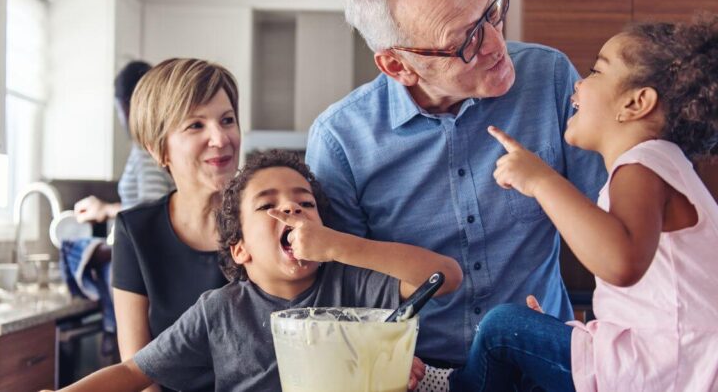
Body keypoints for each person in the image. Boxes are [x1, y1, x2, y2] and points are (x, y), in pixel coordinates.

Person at [305, 0, 607, 367]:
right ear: (398, 66)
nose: (497, 44)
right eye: (465, 40)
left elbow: (611, 223)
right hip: (414, 374)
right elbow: (344, 288)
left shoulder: (550, 79)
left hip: (546, 360)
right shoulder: (340, 143)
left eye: (491, 13)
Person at [448, 15, 718, 391]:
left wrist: (542, 180)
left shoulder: (643, 165)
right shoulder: (664, 167)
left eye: (595, 71)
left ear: (636, 103)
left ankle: (448, 385)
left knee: (501, 329)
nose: (578, 83)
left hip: (666, 367)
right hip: (671, 360)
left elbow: (621, 264)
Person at [45, 150, 464, 392]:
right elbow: (134, 371)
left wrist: (339, 245)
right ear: (240, 249)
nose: (291, 208)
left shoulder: (354, 283)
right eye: (268, 205)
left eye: (305, 203)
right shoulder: (220, 312)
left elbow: (445, 276)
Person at [111, 58, 240, 392]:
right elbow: (136, 370)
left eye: (227, 120)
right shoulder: (134, 231)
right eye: (195, 125)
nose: (220, 138)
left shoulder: (266, 220)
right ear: (158, 150)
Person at [73, 60, 175, 224]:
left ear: (128, 105)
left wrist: (106, 209)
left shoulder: (147, 147)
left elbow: (151, 208)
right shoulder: (153, 143)